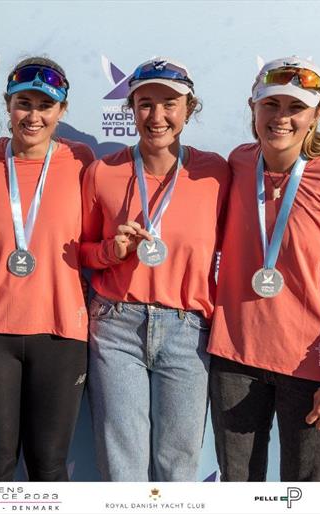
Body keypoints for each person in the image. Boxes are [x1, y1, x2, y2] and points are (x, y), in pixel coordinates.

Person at [208, 56, 320, 481]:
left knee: (307, 498)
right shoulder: (239, 163)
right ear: (252, 108)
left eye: (295, 107)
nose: (281, 117)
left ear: (317, 115)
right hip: (235, 359)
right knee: (238, 493)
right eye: (271, 105)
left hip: (314, 367)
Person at [80, 57, 230, 481]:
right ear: (130, 108)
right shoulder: (103, 172)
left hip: (188, 329)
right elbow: (83, 253)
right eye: (146, 104)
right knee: (121, 461)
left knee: (177, 464)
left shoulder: (216, 173)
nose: (157, 116)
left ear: (188, 109)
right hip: (116, 326)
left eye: (170, 104)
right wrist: (114, 250)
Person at [0, 57, 94, 481]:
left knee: (49, 465)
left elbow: (88, 243)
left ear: (62, 110)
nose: (33, 116)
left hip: (59, 332)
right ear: (7, 105)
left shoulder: (81, 161)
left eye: (45, 106)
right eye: (23, 104)